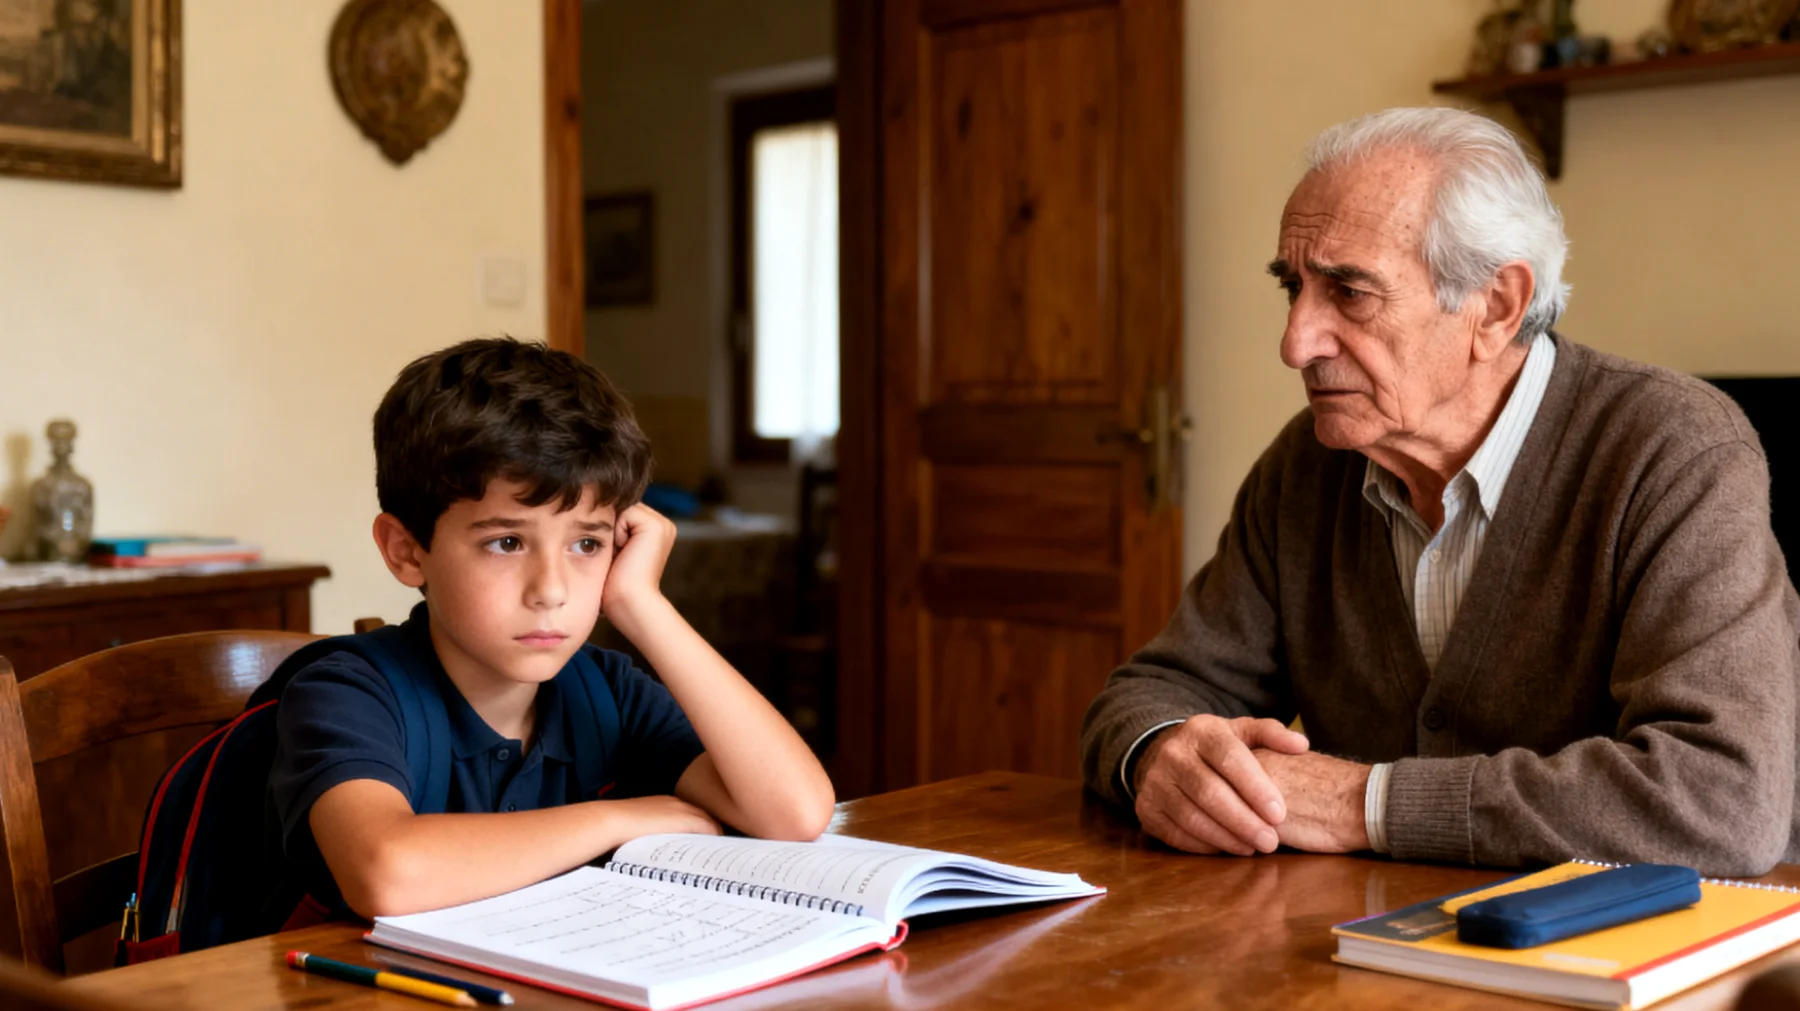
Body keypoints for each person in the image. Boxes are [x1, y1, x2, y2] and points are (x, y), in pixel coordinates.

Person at [1079, 107, 1800, 876]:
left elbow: (1721, 798)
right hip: (1378, 945)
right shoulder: (1309, 464)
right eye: (1293, 287)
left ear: (1495, 306)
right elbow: (1154, 689)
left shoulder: (1672, 449)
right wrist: (1157, 756)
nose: (1294, 341)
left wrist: (1361, 801)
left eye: (1348, 292)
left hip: (1652, 965)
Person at [270, 338, 835, 918]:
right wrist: (620, 818)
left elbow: (793, 813)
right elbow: (388, 874)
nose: (553, 589)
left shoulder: (606, 691)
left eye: (587, 543)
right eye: (507, 542)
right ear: (407, 552)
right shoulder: (345, 691)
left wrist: (642, 603)